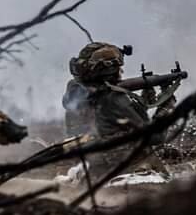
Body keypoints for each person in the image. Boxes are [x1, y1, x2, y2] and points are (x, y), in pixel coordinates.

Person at [62, 41, 173, 179]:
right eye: (119, 67)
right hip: (123, 171)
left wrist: (142, 100)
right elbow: (156, 136)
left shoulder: (76, 90)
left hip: (89, 166)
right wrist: (167, 105)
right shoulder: (114, 98)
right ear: (109, 70)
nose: (121, 71)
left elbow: (112, 120)